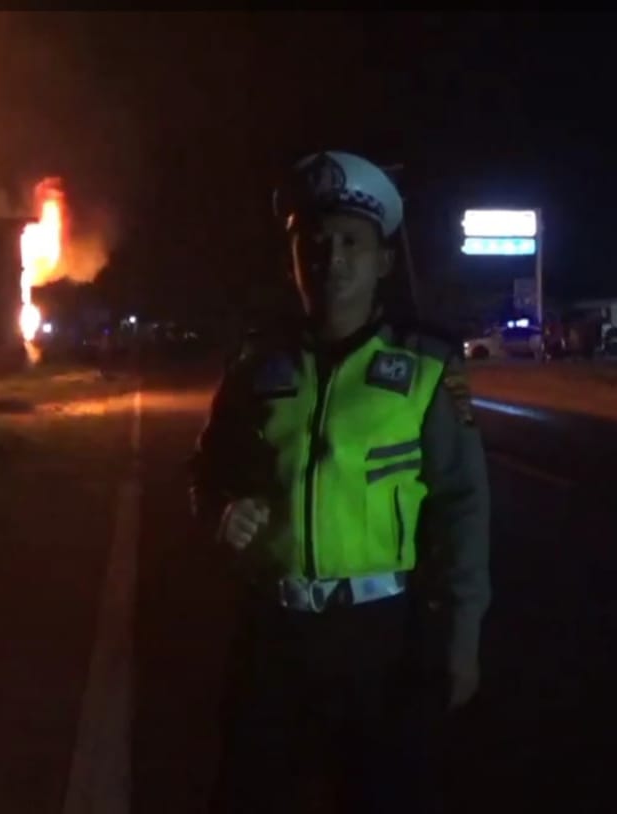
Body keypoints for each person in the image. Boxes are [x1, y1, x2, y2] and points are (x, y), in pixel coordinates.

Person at [191, 150, 492, 813]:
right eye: (314, 242)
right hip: (274, 634)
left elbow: (462, 509)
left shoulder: (425, 366)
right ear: (292, 260)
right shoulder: (255, 366)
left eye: (352, 242)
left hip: (383, 640)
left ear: (383, 261)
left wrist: (460, 640)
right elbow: (209, 465)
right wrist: (220, 507)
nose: (332, 257)